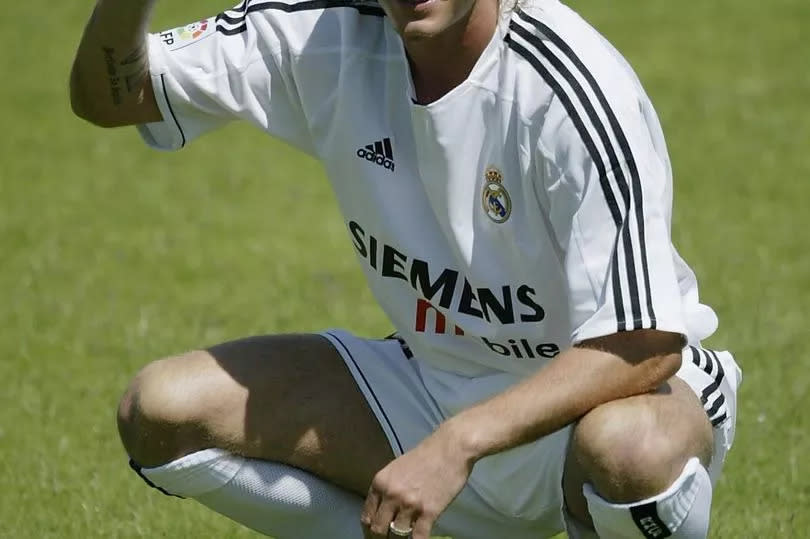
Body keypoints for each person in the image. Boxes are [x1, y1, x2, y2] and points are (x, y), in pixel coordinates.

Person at [70, 0, 742, 537]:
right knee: (160, 409)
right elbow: (112, 96)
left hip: (599, 400)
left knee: (635, 452)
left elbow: (645, 344)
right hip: (430, 383)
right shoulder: (321, 30)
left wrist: (458, 442)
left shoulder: (570, 86)